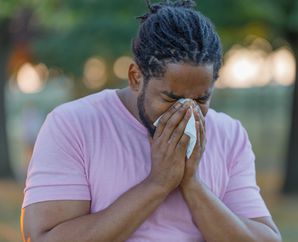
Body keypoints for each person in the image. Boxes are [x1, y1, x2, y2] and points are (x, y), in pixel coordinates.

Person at [21, 1, 282, 241]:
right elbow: (44, 238)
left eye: (201, 100)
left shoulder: (229, 134)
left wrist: (192, 185)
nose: (186, 112)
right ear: (136, 77)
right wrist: (157, 184)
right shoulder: (73, 125)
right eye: (171, 98)